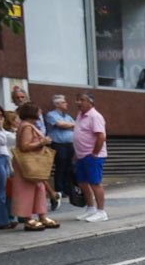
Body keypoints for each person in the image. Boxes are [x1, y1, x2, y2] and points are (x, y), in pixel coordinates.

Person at [12, 102, 58, 231]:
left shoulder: (29, 126)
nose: (40, 113)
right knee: (27, 190)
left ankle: (41, 216)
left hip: (32, 164)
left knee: (39, 189)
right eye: (38, 111)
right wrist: (42, 142)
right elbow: (24, 146)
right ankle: (28, 218)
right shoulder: (27, 127)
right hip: (27, 164)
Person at [73, 93, 108, 222]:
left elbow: (101, 136)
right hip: (81, 155)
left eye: (82, 100)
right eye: (77, 100)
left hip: (92, 156)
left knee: (95, 183)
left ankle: (101, 211)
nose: (78, 102)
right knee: (82, 182)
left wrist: (94, 153)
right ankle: (90, 209)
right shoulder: (80, 116)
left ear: (90, 102)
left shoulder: (94, 116)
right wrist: (76, 155)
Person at [44, 95, 77, 202]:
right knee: (61, 166)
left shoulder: (67, 116)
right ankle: (59, 189)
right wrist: (71, 125)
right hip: (59, 144)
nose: (66, 104)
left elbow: (76, 125)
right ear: (57, 104)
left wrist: (71, 125)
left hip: (70, 144)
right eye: (63, 102)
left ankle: (68, 189)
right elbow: (60, 124)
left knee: (70, 166)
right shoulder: (51, 115)